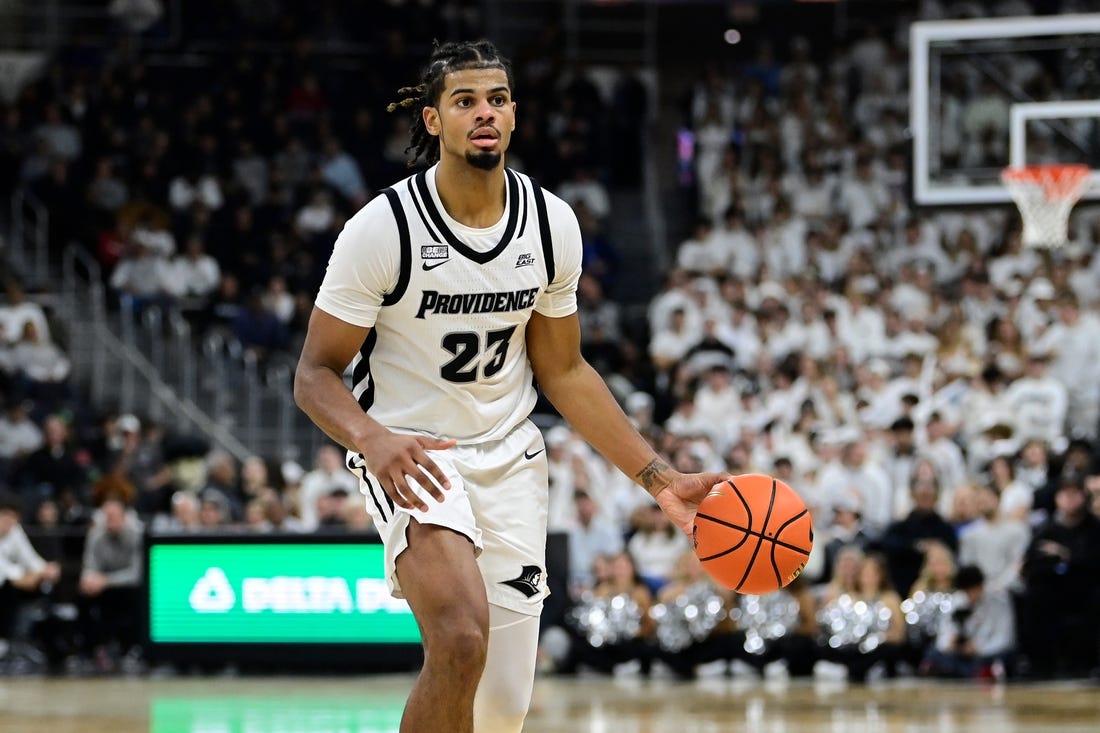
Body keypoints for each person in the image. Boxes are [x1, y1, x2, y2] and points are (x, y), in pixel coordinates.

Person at [293, 40, 726, 733]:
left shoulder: (551, 223)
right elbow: (313, 375)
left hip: (511, 455)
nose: (484, 112)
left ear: (515, 114)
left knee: (499, 709)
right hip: (415, 455)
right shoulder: (383, 229)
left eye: (496, 98)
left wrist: (658, 477)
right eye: (464, 100)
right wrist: (372, 439)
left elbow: (565, 371)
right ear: (433, 120)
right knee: (461, 638)